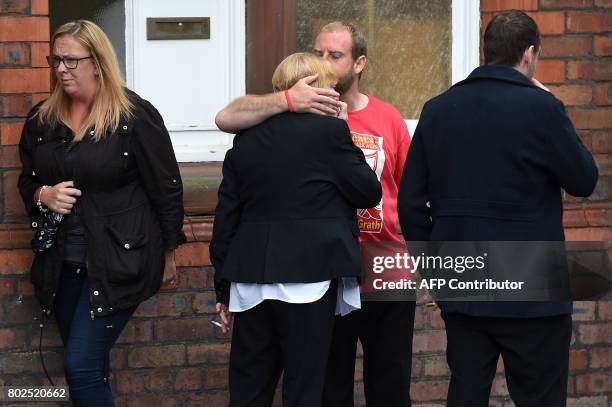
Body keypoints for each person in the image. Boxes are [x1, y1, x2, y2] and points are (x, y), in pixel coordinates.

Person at [397, 10, 598, 407]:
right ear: (528, 54)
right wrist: (551, 104)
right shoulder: (541, 108)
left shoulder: (438, 109)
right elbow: (583, 180)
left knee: (467, 393)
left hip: (465, 282)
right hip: (534, 289)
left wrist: (437, 271)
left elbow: (410, 202)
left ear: (486, 52)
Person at [215, 22, 415, 407]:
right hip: (316, 274)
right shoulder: (328, 131)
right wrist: (335, 127)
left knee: (250, 386)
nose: (325, 64)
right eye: (319, 55)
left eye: (334, 55)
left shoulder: (246, 141)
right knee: (312, 386)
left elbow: (228, 217)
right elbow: (367, 190)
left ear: (359, 63)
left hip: (264, 277)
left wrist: (223, 286)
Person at [17, 20, 185, 406]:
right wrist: (44, 194)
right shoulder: (42, 119)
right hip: (61, 262)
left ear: (97, 62)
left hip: (119, 261)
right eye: (56, 59)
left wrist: (169, 255)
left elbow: (166, 189)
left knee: (81, 366)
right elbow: (27, 183)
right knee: (90, 367)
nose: (61, 68)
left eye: (72, 60)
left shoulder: (134, 116)